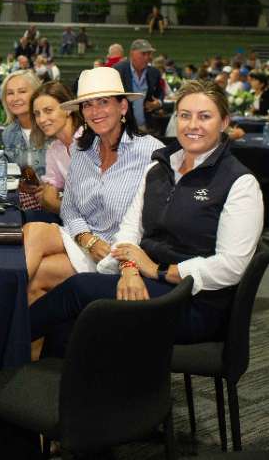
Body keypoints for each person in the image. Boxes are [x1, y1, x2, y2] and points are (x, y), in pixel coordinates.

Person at [30, 80, 263, 347]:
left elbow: (231, 267)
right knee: (64, 329)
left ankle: (3, 344)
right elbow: (131, 229)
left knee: (79, 289)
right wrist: (129, 269)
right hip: (147, 281)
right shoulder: (160, 167)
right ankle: (22, 357)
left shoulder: (240, 183)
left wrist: (157, 271)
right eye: (185, 116)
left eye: (204, 116)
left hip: (193, 301)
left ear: (224, 123)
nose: (193, 125)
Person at [22, 67, 163, 305]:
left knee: (38, 277)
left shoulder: (151, 151)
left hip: (120, 252)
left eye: (103, 102)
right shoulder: (81, 150)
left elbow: (154, 222)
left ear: (123, 107)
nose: (95, 111)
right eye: (87, 105)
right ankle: (4, 308)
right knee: (34, 229)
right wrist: (87, 239)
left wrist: (126, 260)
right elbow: (69, 208)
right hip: (84, 240)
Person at [28, 81, 83, 214]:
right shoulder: (54, 149)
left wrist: (56, 200)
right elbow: (48, 195)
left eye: (48, 111)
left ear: (68, 109)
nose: (41, 119)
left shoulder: (88, 139)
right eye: (37, 113)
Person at [0, 70, 45, 174]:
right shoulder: (9, 133)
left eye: (22, 91)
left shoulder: (50, 127)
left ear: (37, 94)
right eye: (10, 93)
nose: (15, 98)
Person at [114, 39, 164, 131]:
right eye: (143, 54)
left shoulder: (154, 73)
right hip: (123, 126)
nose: (147, 57)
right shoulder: (118, 71)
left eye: (149, 54)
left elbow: (160, 93)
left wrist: (158, 103)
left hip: (146, 126)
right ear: (132, 54)